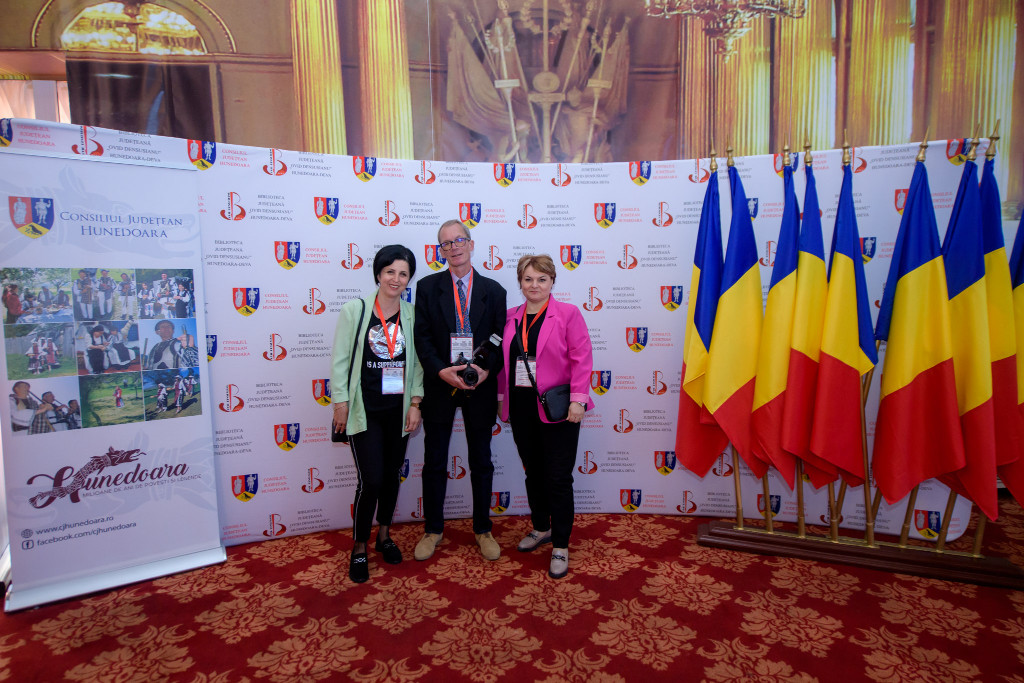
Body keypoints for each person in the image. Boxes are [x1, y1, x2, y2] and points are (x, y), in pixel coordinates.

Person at [413, 219, 507, 562]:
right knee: (435, 460)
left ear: (471, 244)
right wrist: (441, 371)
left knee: (481, 460)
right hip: (441, 384)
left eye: (459, 240)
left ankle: (483, 529)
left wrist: (485, 371)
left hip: (479, 385)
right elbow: (422, 337)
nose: (453, 248)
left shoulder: (494, 291)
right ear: (441, 250)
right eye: (446, 243)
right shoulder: (427, 287)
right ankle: (433, 530)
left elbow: (498, 339)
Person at [332, 244, 424, 583]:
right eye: (390, 272)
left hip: (398, 413)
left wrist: (415, 403)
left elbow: (418, 364)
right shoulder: (355, 310)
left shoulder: (412, 314)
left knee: (390, 476)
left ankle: (384, 535)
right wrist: (341, 404)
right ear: (378, 274)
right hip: (364, 411)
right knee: (370, 480)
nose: (396, 279)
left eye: (403, 273)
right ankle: (359, 546)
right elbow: (340, 360)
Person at [497, 254, 593, 579]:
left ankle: (561, 544)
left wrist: (578, 400)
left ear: (552, 282)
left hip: (558, 409)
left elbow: (582, 358)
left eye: (542, 279)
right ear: (520, 282)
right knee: (533, 474)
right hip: (522, 408)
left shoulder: (567, 314)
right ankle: (541, 527)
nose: (534, 285)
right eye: (528, 279)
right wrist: (501, 399)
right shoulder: (510, 318)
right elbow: (503, 364)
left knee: (558, 478)